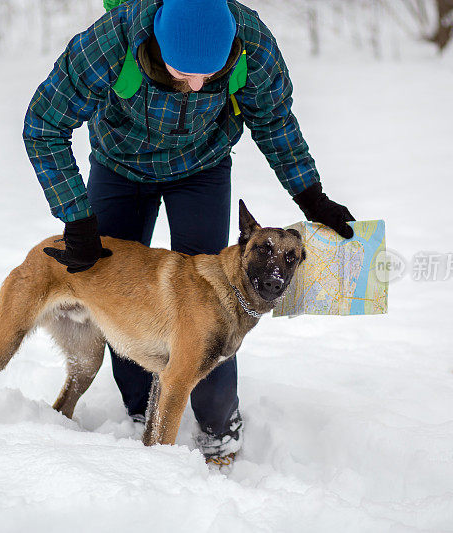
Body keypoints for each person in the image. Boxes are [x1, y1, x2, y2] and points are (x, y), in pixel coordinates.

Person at [22, 0, 355, 465]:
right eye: (184, 71)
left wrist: (311, 195)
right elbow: (42, 124)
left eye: (210, 74)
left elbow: (274, 118)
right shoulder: (112, 41)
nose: (197, 84)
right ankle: (143, 416)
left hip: (202, 165)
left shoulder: (250, 42)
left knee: (218, 299)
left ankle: (219, 430)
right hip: (120, 164)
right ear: (157, 42)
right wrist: (76, 217)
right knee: (118, 288)